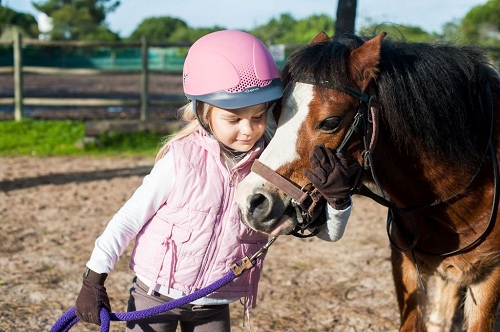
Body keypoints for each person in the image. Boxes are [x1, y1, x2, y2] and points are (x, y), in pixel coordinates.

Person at [74, 30, 357, 332]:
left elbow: (327, 234)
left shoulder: (268, 173)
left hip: (215, 302)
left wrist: (339, 201)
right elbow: (128, 219)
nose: (248, 130)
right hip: (156, 296)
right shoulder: (181, 159)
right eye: (233, 120)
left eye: (259, 116)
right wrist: (94, 278)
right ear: (205, 114)